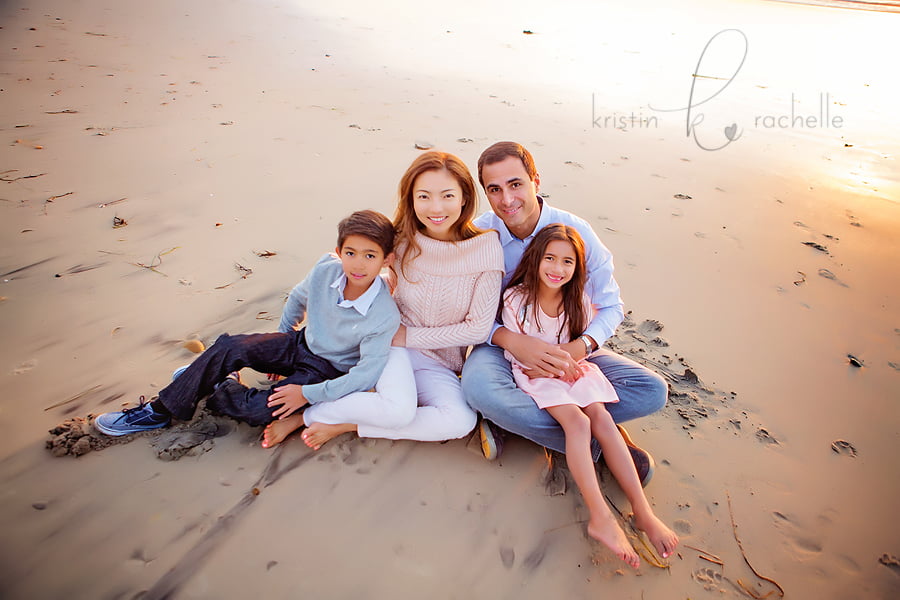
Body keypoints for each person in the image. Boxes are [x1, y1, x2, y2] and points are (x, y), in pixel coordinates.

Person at [262, 151, 504, 450]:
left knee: (460, 421)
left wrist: (410, 336)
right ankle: (306, 416)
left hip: (437, 361)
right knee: (399, 410)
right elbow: (354, 266)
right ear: (411, 199)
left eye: (447, 196)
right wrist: (290, 330)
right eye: (424, 196)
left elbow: (478, 329)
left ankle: (346, 423)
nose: (436, 207)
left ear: (465, 197)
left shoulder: (486, 249)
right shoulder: (402, 239)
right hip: (388, 348)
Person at [461, 141, 668, 484]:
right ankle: (602, 444)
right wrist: (509, 339)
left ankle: (521, 424)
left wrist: (581, 347)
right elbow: (464, 310)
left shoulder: (576, 233)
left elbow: (612, 306)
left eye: (515, 184)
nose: (507, 200)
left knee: (652, 390)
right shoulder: (481, 235)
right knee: (479, 389)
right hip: (501, 348)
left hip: (565, 347)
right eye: (494, 190)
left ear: (535, 181)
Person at [93, 210, 401, 436]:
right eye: (351, 253)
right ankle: (158, 411)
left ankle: (211, 382)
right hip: (299, 344)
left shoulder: (384, 314)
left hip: (325, 371)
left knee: (260, 410)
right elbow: (297, 300)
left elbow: (364, 376)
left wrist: (307, 395)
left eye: (370, 256)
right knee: (230, 346)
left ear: (386, 259)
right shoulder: (326, 269)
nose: (358, 264)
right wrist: (280, 344)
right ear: (339, 252)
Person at [500, 223, 678, 567]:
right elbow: (519, 355)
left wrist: (568, 362)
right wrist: (553, 366)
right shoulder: (516, 299)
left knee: (602, 419)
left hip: (572, 368)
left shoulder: (578, 300)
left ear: (577, 267)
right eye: (549, 258)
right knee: (578, 424)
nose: (557, 269)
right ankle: (600, 516)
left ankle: (642, 511)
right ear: (535, 260)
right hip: (537, 375)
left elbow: (583, 343)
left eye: (567, 262)